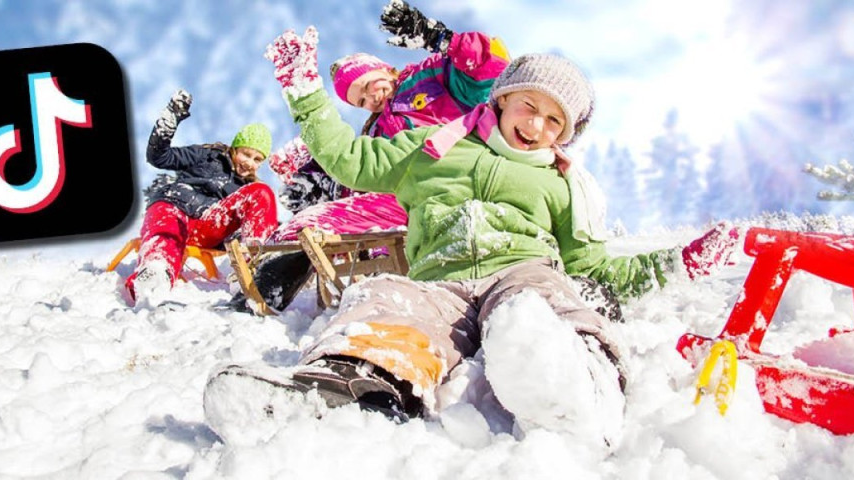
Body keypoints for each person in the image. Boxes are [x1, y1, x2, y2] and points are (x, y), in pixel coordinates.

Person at [204, 28, 741, 448]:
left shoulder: (559, 181)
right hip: (443, 277)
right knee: (387, 298)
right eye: (530, 105)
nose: (538, 125)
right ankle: (339, 386)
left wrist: (680, 262)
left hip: (523, 268)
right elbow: (348, 159)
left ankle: (576, 384)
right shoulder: (433, 147)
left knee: (539, 304)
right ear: (504, 100)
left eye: (556, 120)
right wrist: (306, 91)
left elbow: (593, 264)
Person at [228, 0, 511, 314]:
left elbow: (493, 70)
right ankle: (258, 288)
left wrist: (440, 38)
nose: (370, 99)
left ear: (383, 68)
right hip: (401, 203)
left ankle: (259, 295)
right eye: (360, 101)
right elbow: (367, 173)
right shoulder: (374, 131)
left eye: (367, 86)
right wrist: (325, 182)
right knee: (315, 222)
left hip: (450, 188)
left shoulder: (429, 77)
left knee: (320, 222)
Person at [126, 89, 279, 307]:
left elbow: (260, 220)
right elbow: (159, 157)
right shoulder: (206, 155)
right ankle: (155, 271)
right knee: (167, 227)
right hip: (174, 207)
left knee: (262, 192)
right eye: (246, 154)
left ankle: (250, 270)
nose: (249, 163)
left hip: (209, 224)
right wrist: (170, 121)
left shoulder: (247, 188)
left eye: (257, 159)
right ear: (234, 148)